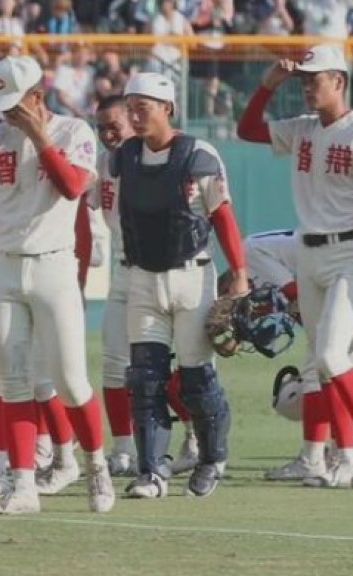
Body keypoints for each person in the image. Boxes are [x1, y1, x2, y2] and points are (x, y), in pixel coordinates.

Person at [237, 45, 353, 489]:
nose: (308, 87)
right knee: (322, 362)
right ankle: (343, 457)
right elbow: (246, 129)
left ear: (340, 81)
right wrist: (269, 85)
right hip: (309, 252)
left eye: (316, 79)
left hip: (350, 251)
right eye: (304, 80)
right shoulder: (302, 128)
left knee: (331, 355)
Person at [0, 56, 114, 516]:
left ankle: (96, 465)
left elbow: (72, 187)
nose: (6, 113)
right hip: (2, 265)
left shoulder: (74, 132)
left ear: (37, 98)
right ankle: (23, 485)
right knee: (13, 382)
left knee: (70, 381)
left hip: (54, 264)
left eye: (14, 104)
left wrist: (39, 137)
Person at [114, 73, 248, 499]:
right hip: (142, 277)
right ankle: (151, 472)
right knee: (144, 378)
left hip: (192, 275)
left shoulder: (197, 154)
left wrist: (239, 272)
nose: (135, 115)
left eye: (143, 107)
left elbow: (222, 215)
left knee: (196, 380)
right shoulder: (123, 157)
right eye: (130, 107)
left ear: (167, 108)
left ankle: (212, 459)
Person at [86, 95, 137, 477]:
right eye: (101, 128)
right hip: (122, 270)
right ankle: (123, 448)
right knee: (114, 365)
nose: (107, 135)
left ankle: (194, 439)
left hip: (166, 271)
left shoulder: (161, 157)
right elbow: (82, 207)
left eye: (113, 126)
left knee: (178, 367)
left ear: (133, 120)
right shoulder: (103, 164)